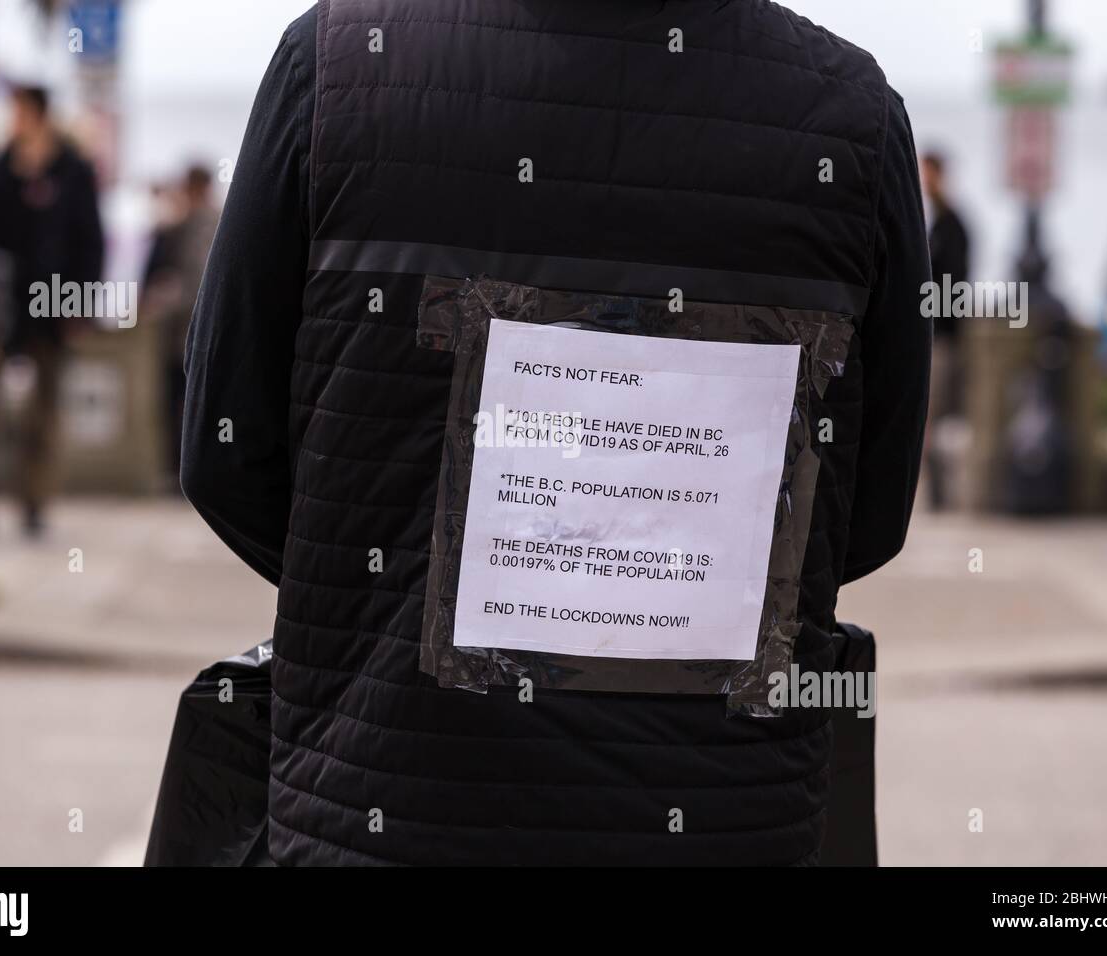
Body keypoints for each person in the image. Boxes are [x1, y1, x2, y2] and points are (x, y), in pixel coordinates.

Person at [182, 0, 930, 866]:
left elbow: (225, 453)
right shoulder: (855, 119)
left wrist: (386, 588)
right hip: (725, 823)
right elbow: (868, 514)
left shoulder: (336, 66)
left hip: (384, 809)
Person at [0, 84, 104, 534]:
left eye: (19, 112)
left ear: (37, 114)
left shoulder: (73, 170)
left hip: (54, 305)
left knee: (43, 412)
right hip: (0, 305)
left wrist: (81, 305)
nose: (13, 121)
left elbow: (90, 240)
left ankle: (34, 503)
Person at [142, 165, 220, 478]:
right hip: (183, 337)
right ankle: (179, 472)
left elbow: (188, 286)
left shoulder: (207, 224)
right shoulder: (181, 226)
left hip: (193, 335)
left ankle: (186, 471)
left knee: (189, 403)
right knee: (178, 403)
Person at [919, 150, 970, 510]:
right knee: (933, 419)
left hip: (944, 337)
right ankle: (938, 495)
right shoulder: (941, 224)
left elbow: (951, 284)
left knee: (934, 418)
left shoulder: (951, 226)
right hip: (937, 334)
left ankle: (941, 496)